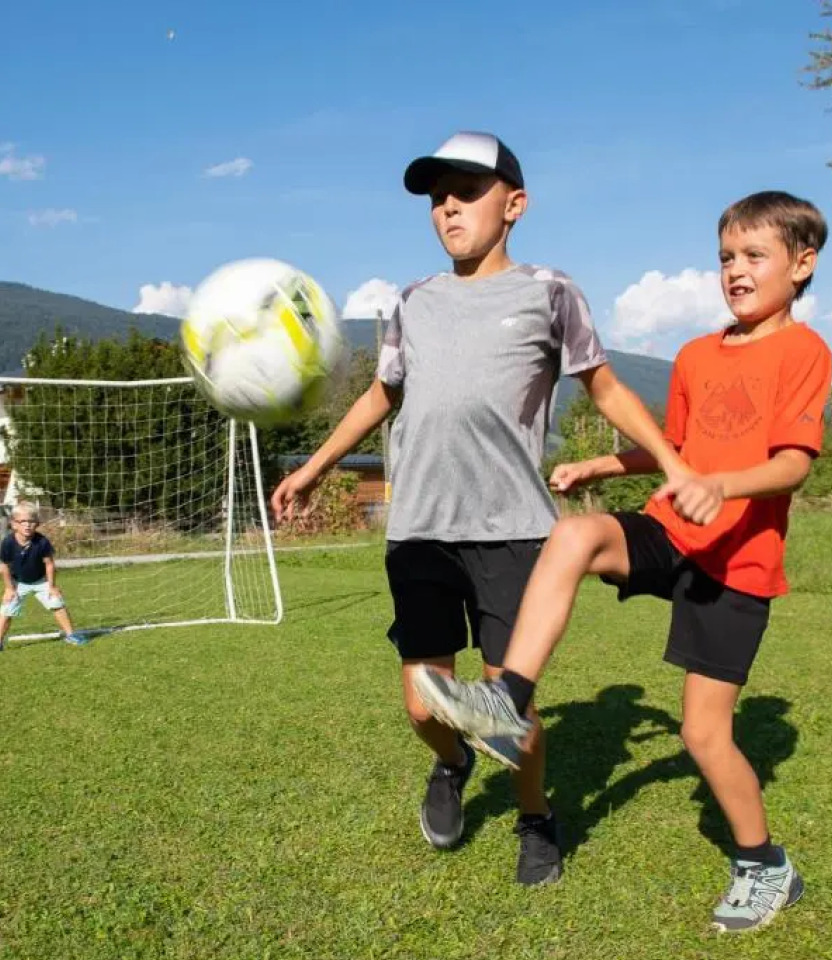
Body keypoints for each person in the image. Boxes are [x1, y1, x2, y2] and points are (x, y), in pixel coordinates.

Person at [271, 131, 685, 885]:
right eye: (438, 197)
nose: (449, 207)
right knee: (425, 708)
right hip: (419, 531)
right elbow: (381, 396)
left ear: (515, 205)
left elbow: (607, 387)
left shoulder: (550, 292)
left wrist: (671, 458)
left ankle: (536, 817)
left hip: (514, 532)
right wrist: (315, 467)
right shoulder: (413, 302)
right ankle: (451, 764)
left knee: (511, 704)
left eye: (467, 191)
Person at [412, 190, 832, 930]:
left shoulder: (805, 352)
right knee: (574, 536)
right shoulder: (699, 355)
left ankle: (765, 865)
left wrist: (723, 485)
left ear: (802, 265)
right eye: (726, 257)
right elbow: (676, 449)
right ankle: (507, 699)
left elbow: (793, 464)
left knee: (704, 735)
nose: (735, 271)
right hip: (672, 532)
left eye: (754, 256)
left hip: (737, 564)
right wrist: (600, 471)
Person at [0, 503, 89, 653]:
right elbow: (5, 568)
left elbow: (49, 564)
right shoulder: (8, 543)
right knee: (6, 609)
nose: (27, 525)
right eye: (22, 521)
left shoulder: (42, 542)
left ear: (37, 524)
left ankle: (71, 634)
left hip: (41, 580)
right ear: (14, 524)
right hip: (18, 583)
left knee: (57, 603)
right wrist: (9, 589)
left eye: (31, 521)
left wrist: (52, 586)